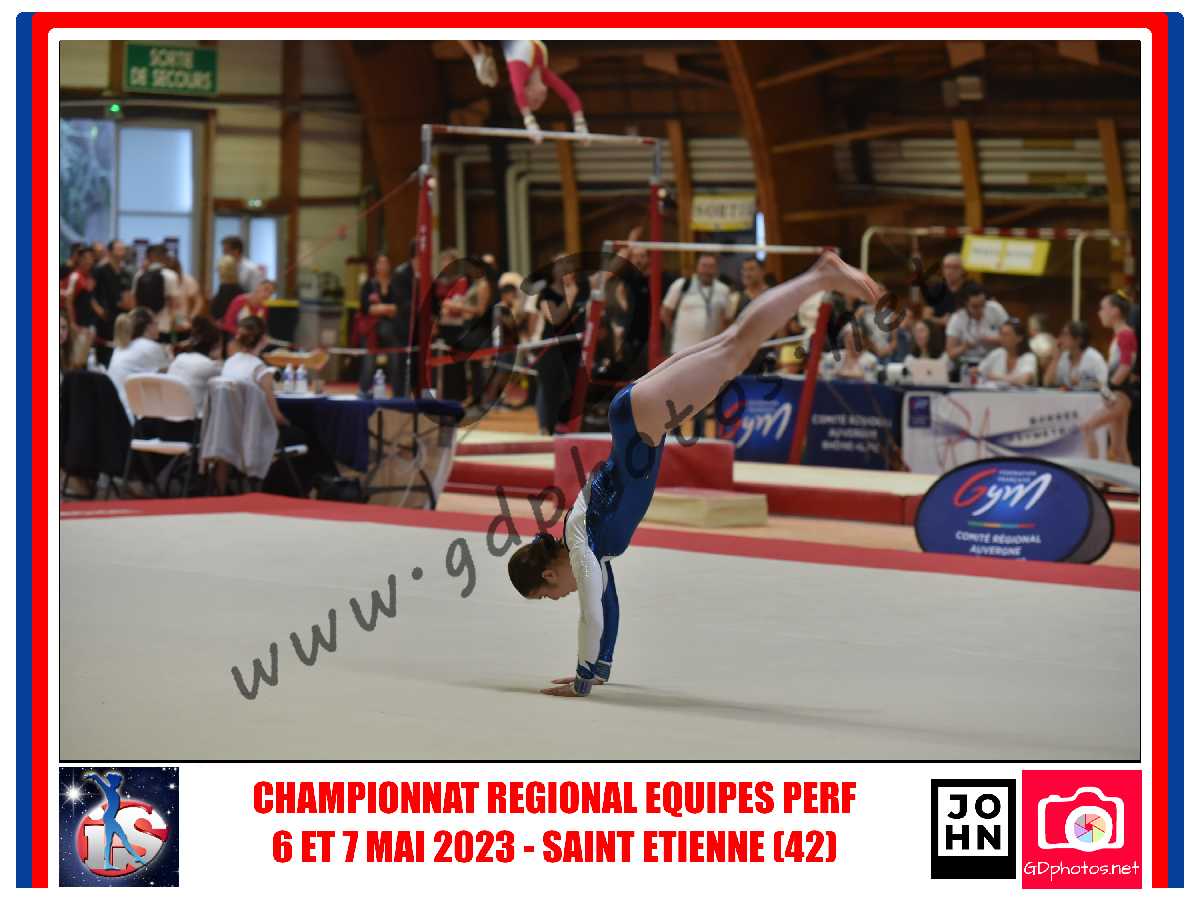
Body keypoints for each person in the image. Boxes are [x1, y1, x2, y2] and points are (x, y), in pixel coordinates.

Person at [506, 250, 885, 697]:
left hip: (642, 422)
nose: (559, 599)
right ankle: (819, 277)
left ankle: (820, 276)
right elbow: (607, 604)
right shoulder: (587, 545)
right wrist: (598, 667)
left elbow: (590, 612)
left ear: (549, 576)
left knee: (738, 349)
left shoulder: (581, 543)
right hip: (636, 417)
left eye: (548, 596)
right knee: (733, 342)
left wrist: (582, 682)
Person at [660, 253, 731, 437]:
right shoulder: (681, 285)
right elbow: (665, 312)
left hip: (708, 354)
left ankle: (700, 435)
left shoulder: (723, 290)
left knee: (702, 394)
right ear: (697, 268)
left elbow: (727, 320)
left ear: (716, 269)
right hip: (681, 351)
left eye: (711, 266)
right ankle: (675, 434)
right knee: (677, 393)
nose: (707, 270)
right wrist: (677, 333)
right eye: (704, 266)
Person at [461, 40, 589, 140]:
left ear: (526, 91)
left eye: (535, 100)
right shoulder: (543, 72)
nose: (542, 99)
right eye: (541, 101)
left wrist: (530, 123)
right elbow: (571, 97)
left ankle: (477, 57)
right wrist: (580, 125)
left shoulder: (518, 68)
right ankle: (482, 53)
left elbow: (518, 93)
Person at [1080, 293, 1138, 465]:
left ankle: (1094, 475)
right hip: (1119, 395)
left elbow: (1126, 366)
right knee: (1118, 448)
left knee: (1087, 427)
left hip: (1119, 395)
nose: (1099, 313)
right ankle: (1131, 482)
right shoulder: (1120, 335)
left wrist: (1109, 387)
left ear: (1115, 311)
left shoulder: (1125, 334)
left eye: (1102, 308)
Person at [106, 308, 171, 421]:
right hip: (134, 416)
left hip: (115, 412)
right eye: (156, 323)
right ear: (148, 326)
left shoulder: (120, 347)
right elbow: (171, 377)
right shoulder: (150, 347)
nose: (158, 327)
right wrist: (169, 355)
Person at [82, 772, 148, 870]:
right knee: (122, 838)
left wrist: (93, 776)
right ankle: (136, 857)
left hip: (109, 818)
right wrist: (92, 776)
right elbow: (99, 781)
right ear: (113, 781)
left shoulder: (113, 792)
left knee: (110, 841)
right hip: (109, 818)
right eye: (118, 781)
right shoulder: (109, 790)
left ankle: (107, 863)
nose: (119, 783)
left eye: (119, 781)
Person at [945, 283, 1007, 374]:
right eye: (975, 307)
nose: (980, 310)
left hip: (995, 362)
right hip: (968, 363)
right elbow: (950, 353)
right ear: (966, 304)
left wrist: (991, 340)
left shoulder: (995, 309)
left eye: (983, 305)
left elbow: (1011, 339)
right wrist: (965, 347)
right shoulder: (957, 318)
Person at [167, 315, 224, 413]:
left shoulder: (180, 358)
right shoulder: (210, 366)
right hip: (193, 418)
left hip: (169, 414)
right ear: (215, 346)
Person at [130, 244, 182, 339]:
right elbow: (174, 305)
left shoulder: (139, 275)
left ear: (149, 257)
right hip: (163, 326)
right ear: (164, 257)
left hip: (141, 327)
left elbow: (134, 303)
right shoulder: (171, 275)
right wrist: (177, 324)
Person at [1044, 320, 1108, 390]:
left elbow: (1104, 384)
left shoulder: (1094, 358)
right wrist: (1055, 358)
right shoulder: (1063, 356)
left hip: (1089, 396)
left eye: (1065, 335)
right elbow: (1047, 383)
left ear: (1079, 340)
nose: (1060, 338)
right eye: (1061, 334)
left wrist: (1084, 383)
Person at [977, 318, 1039, 386]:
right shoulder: (997, 353)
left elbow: (1024, 380)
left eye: (1006, 335)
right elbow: (978, 371)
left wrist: (996, 377)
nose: (1001, 338)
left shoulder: (1028, 357)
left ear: (1019, 338)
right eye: (1001, 334)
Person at [919, 252, 970, 327]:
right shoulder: (936, 290)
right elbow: (926, 317)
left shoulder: (971, 289)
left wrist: (954, 321)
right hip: (941, 331)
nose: (950, 271)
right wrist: (941, 321)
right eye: (947, 267)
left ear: (962, 269)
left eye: (954, 267)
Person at [210, 254, 243, 325]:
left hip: (225, 326)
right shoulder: (239, 289)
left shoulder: (225, 289)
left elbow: (219, 312)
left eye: (219, 269)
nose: (217, 272)